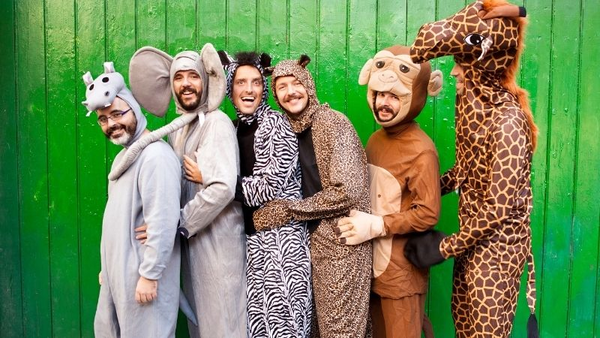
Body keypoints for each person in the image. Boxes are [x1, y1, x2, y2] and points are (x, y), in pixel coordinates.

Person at [405, 2, 538, 338]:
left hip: (498, 254)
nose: (453, 73)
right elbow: (465, 170)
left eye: (460, 64)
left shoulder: (508, 122)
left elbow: (498, 208)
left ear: (481, 67)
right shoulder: (479, 115)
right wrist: (425, 188)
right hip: (472, 246)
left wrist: (444, 247)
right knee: (463, 329)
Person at [128, 44, 246, 338]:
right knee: (201, 325)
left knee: (223, 324)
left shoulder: (215, 123)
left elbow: (221, 187)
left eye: (192, 76)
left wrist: (175, 223)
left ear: (204, 81)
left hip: (219, 248)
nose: (185, 84)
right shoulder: (179, 128)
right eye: (178, 77)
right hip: (193, 246)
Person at [253, 55, 372, 337]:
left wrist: (289, 210)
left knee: (340, 330)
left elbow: (347, 191)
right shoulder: (286, 129)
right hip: (312, 245)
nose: (290, 91)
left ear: (308, 84)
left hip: (343, 245)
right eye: (281, 86)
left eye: (296, 83)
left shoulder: (333, 123)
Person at [204, 50, 312, 337]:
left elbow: (266, 188)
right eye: (241, 82)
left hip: (283, 244)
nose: (249, 89)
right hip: (254, 245)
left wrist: (214, 180)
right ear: (230, 88)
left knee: (284, 328)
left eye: (256, 82)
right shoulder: (236, 128)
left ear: (264, 90)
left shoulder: (275, 124)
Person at [336, 45, 442, 338]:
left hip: (401, 276)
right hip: (370, 271)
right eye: (379, 94)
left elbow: (428, 213)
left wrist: (378, 225)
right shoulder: (374, 140)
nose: (384, 102)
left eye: (394, 96)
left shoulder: (422, 150)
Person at [82, 62, 181, 338]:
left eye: (117, 114)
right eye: (103, 119)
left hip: (142, 282)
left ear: (134, 109)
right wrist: (107, 269)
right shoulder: (124, 157)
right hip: (117, 280)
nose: (111, 124)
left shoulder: (155, 157)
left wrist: (150, 275)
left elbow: (162, 221)